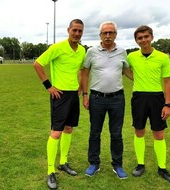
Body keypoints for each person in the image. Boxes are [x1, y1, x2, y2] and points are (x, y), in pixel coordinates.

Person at [33, 19, 86, 190]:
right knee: (56, 133)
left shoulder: (82, 50)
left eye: (80, 31)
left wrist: (80, 85)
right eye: (74, 30)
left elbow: (80, 69)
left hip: (73, 95)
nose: (77, 33)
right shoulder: (57, 47)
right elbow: (38, 64)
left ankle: (63, 162)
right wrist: (49, 86)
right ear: (69, 30)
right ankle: (50, 170)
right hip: (60, 94)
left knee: (69, 129)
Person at [81, 21, 132, 179]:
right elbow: (84, 73)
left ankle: (117, 165)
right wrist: (84, 94)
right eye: (105, 33)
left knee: (116, 133)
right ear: (100, 35)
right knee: (94, 132)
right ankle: (94, 163)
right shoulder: (91, 52)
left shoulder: (122, 52)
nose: (108, 36)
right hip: (97, 98)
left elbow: (128, 72)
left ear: (116, 34)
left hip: (117, 98)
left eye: (111, 33)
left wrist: (147, 81)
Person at [127, 25, 170, 184]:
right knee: (139, 131)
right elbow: (124, 70)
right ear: (136, 40)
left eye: (146, 37)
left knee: (159, 134)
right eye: (139, 38)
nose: (143, 40)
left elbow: (167, 81)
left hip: (157, 98)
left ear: (151, 37)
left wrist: (167, 104)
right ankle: (140, 164)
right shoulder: (131, 57)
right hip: (139, 97)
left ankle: (162, 168)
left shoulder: (162, 57)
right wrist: (136, 79)